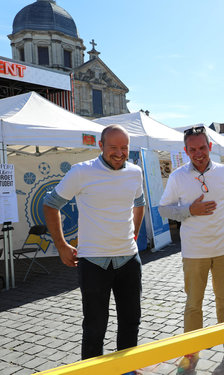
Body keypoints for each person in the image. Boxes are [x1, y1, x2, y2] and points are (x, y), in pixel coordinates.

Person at [43, 124, 145, 360]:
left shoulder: (135, 172)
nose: (119, 153)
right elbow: (50, 205)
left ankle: (127, 369)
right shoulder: (81, 171)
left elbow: (139, 204)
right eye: (113, 147)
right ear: (100, 146)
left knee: (131, 324)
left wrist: (135, 232)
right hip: (93, 263)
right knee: (94, 328)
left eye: (124, 148)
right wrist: (61, 246)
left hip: (129, 260)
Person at [158, 125, 224, 373]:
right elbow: (164, 208)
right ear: (185, 151)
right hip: (194, 252)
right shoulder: (178, 177)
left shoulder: (223, 171)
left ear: (209, 147)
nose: (198, 153)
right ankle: (191, 354)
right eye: (193, 149)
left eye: (202, 148)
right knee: (193, 305)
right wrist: (189, 210)